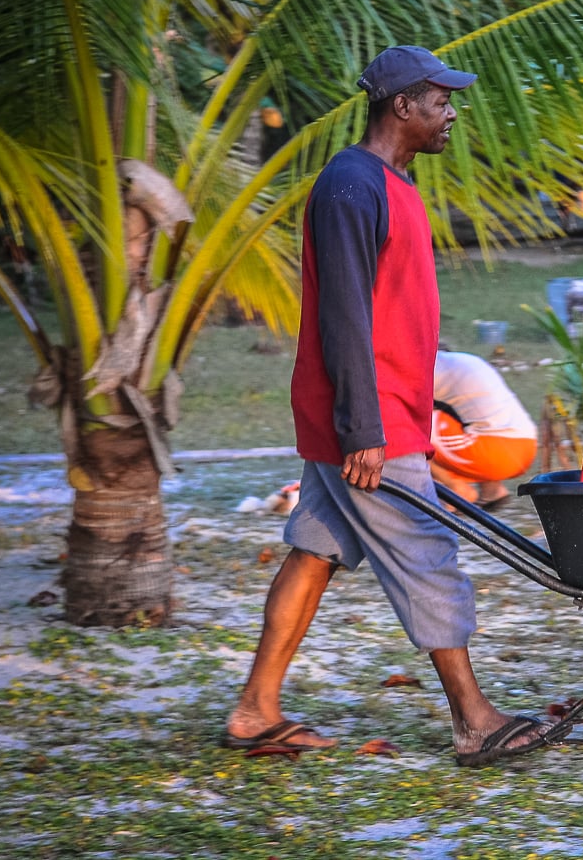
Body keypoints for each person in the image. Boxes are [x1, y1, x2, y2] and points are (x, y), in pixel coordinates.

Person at [224, 46, 550, 767]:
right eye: (440, 101)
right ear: (402, 106)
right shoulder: (350, 186)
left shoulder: (394, 183)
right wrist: (363, 431)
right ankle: (475, 720)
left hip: (383, 409)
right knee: (426, 556)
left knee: (313, 554)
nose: (451, 113)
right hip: (366, 421)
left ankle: (254, 711)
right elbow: (343, 315)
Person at [430, 350, 539, 509]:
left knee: (412, 426)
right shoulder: (465, 360)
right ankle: (492, 490)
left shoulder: (430, 368)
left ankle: (456, 488)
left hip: (493, 453)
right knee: (472, 419)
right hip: (527, 447)